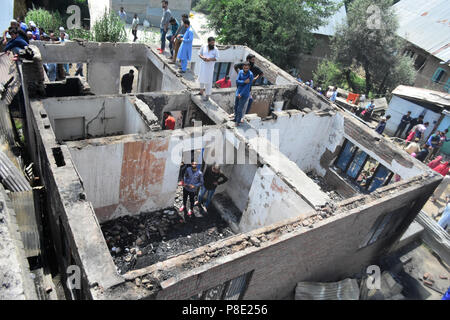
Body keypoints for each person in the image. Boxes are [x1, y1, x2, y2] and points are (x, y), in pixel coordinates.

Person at [198, 37, 219, 101]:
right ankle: (201, 91)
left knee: (208, 81)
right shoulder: (204, 46)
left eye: (213, 42)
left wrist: (210, 59)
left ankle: (207, 95)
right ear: (208, 42)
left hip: (209, 68)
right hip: (203, 66)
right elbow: (199, 54)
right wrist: (203, 58)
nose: (213, 44)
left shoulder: (216, 49)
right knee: (201, 79)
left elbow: (217, 58)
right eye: (212, 43)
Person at [234, 62, 254, 126]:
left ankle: (238, 122)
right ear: (243, 67)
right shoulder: (240, 72)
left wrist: (241, 94)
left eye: (247, 67)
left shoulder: (250, 74)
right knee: (236, 106)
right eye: (244, 67)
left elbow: (247, 86)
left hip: (244, 94)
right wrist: (244, 81)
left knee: (240, 108)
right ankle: (235, 118)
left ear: (249, 67)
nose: (245, 68)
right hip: (238, 91)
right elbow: (237, 81)